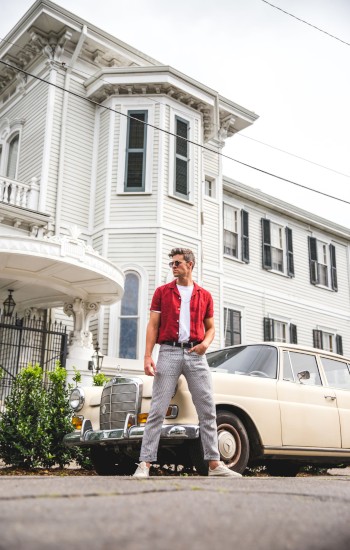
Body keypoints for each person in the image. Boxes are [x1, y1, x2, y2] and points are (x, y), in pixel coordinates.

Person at [133, 247, 242, 478]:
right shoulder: (162, 292)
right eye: (171, 263)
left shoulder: (205, 295)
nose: (173, 266)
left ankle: (214, 465)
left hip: (196, 353)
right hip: (169, 353)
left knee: (207, 409)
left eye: (177, 263)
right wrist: (147, 355)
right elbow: (153, 325)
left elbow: (211, 327)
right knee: (157, 410)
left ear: (190, 265)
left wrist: (205, 344)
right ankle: (144, 464)